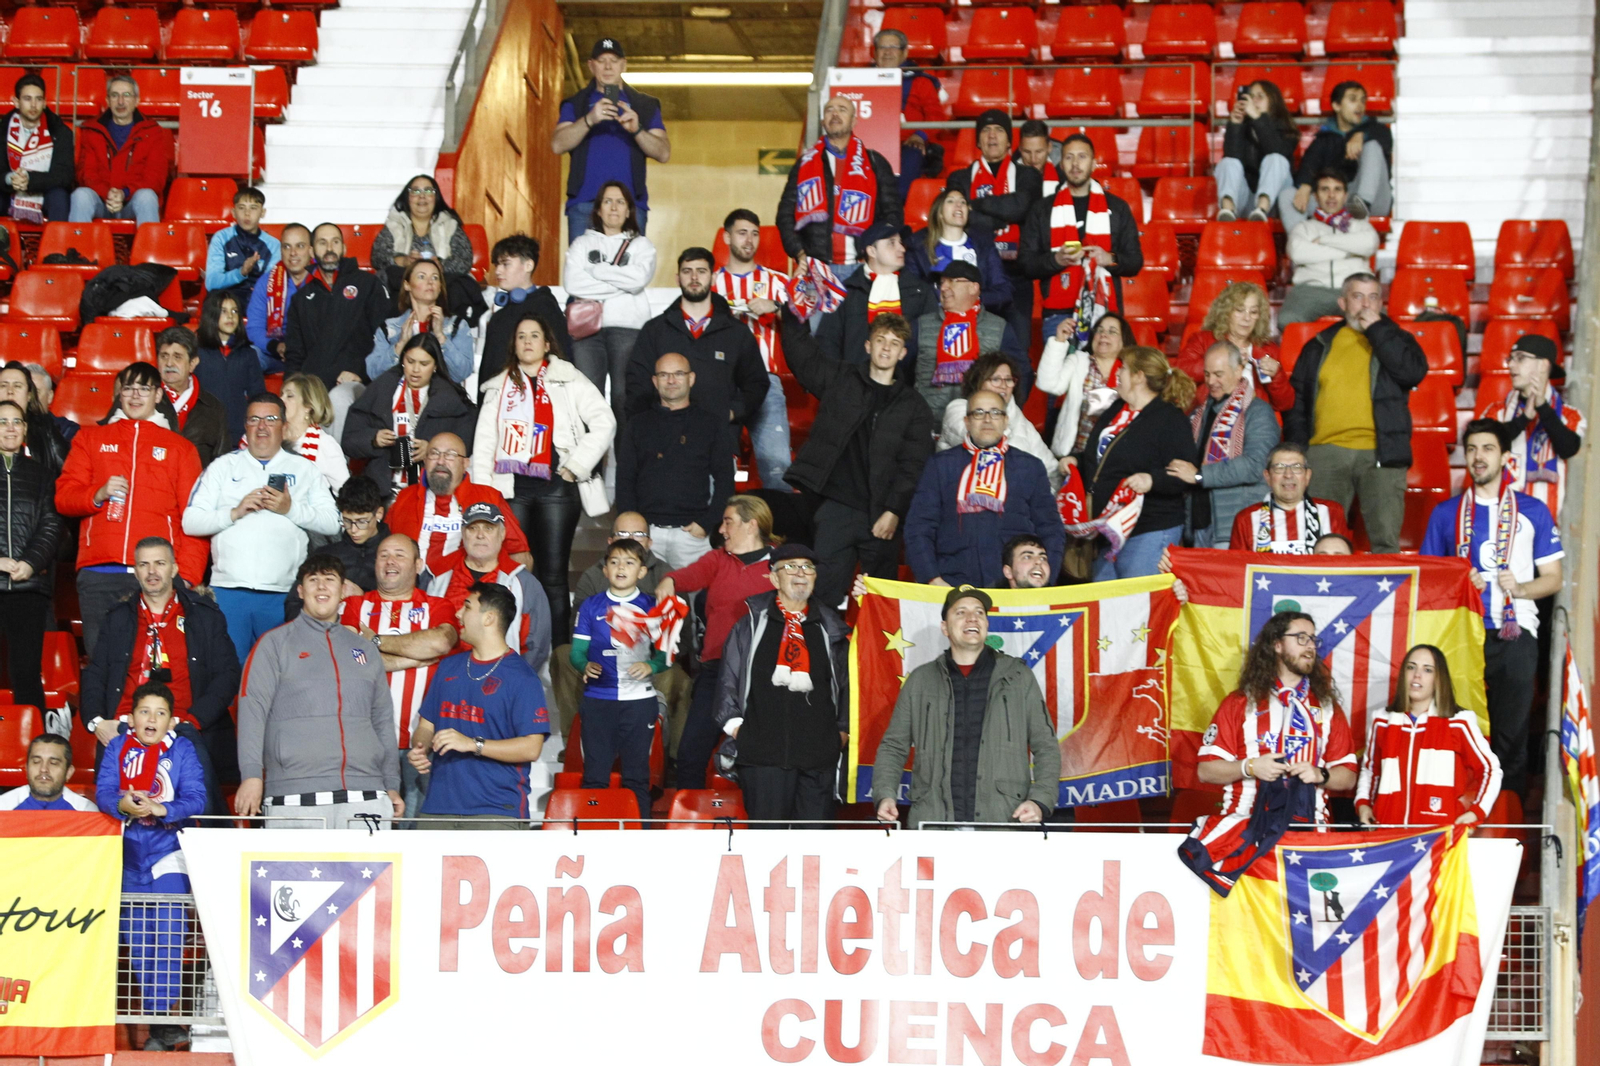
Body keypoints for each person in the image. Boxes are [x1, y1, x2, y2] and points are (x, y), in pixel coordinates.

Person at [1420, 420, 1563, 796]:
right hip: (1462, 636)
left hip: (1514, 634)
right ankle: (1459, 810)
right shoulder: (1444, 513)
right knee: (1459, 731)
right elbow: (1429, 582)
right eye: (1471, 449)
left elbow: (1554, 578)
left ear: (1505, 457)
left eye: (1487, 448)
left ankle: (1508, 815)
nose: (1478, 457)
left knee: (1510, 733)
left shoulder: (1532, 510)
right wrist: (1458, 583)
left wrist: (1521, 587)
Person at [1180, 611, 1358, 892]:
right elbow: (1206, 771)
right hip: (1244, 833)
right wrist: (1249, 767)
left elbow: (1347, 777)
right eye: (1301, 638)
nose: (1310, 645)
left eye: (1313, 639)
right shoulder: (1240, 703)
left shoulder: (1327, 707)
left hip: (1311, 837)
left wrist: (1319, 773)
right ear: (1276, 644)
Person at [234, 554, 402, 829]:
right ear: (300, 591)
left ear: (343, 590)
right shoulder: (273, 645)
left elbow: (382, 719)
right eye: (313, 580)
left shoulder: (365, 649)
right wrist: (252, 776)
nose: (321, 587)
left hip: (367, 795)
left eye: (329, 580)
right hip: (293, 797)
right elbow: (252, 712)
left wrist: (391, 783)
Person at [780, 309, 934, 607]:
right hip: (835, 507)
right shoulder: (841, 378)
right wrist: (793, 313)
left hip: (882, 514)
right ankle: (825, 652)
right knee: (822, 595)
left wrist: (893, 510)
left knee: (880, 605)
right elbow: (803, 357)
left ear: (903, 353)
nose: (886, 347)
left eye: (894, 342)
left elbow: (913, 465)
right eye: (880, 340)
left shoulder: (914, 406)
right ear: (868, 346)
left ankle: (870, 657)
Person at [472, 315, 614, 638]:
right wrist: (484, 496)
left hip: (557, 489)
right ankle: (513, 644)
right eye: (521, 336)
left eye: (534, 335)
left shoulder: (568, 377)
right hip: (511, 492)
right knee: (514, 573)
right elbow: (483, 445)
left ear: (547, 343)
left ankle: (558, 653)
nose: (527, 341)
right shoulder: (499, 386)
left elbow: (605, 421)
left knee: (553, 576)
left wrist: (577, 464)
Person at [873, 585, 1060, 827]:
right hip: (933, 824)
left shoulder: (1018, 676)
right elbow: (893, 746)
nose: (972, 618)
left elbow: (1046, 746)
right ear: (945, 628)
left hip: (1004, 822)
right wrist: (885, 794)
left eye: (979, 612)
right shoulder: (920, 680)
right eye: (960, 612)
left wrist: (1040, 800)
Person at [56, 362, 206, 658]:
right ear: (119, 393)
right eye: (128, 388)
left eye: (144, 388)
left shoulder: (180, 448)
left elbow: (195, 518)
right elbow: (63, 497)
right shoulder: (90, 439)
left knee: (152, 670)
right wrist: (96, 494)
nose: (135, 396)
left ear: (158, 396)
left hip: (156, 575)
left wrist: (186, 575)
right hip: (100, 573)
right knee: (102, 667)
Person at [80, 536, 240, 804]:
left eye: (159, 563)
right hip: (125, 728)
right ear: (136, 570)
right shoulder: (117, 617)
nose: (152, 572)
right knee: (119, 818)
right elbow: (96, 673)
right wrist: (97, 723)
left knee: (203, 813)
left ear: (174, 569)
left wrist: (193, 721)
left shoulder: (205, 616)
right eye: (144, 564)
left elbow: (228, 674)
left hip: (185, 728)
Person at [184, 393, 341, 662]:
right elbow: (190, 522)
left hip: (282, 594)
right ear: (245, 426)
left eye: (270, 419)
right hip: (228, 591)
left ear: (283, 426)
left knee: (281, 677)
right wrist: (235, 512)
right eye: (254, 419)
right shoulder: (223, 467)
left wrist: (290, 509)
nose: (262, 426)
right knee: (229, 677)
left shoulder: (305, 469)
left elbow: (332, 522)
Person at [96, 683, 206, 1053]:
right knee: (139, 939)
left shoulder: (183, 749)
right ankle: (162, 1025)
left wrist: (163, 809)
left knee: (169, 936)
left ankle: (162, 1019)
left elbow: (197, 797)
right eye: (145, 711)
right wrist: (123, 805)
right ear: (130, 717)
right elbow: (103, 791)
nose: (152, 719)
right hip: (126, 852)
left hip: (168, 851)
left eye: (160, 713)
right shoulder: (116, 747)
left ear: (172, 720)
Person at [1284, 273, 1426, 555]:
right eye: (1357, 296)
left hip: (1381, 454)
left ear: (1381, 303)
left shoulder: (1396, 339)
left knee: (1385, 542)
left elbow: (1412, 372)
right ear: (1342, 303)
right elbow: (1296, 403)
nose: (1365, 304)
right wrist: (1302, 450)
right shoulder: (1319, 344)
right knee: (1322, 543)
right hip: (1324, 454)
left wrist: (1378, 330)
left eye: (1373, 297)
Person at [716, 543, 849, 827]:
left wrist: (841, 732)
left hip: (818, 759)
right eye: (790, 567)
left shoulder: (831, 627)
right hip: (762, 759)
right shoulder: (751, 624)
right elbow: (728, 679)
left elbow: (847, 685)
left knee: (814, 854)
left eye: (807, 567)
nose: (800, 573)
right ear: (774, 578)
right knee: (767, 847)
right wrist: (738, 729)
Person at [657, 496, 777, 789]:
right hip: (717, 672)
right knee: (690, 754)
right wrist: (670, 580)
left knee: (762, 757)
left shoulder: (780, 564)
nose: (721, 529)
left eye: (728, 521)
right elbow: (690, 575)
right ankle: (691, 824)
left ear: (752, 525)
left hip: (764, 674)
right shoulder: (718, 558)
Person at [409, 582, 549, 828]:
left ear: (489, 618)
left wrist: (472, 744)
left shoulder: (522, 677)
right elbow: (426, 725)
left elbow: (531, 748)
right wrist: (421, 746)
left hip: (495, 811)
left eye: (467, 607)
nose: (458, 614)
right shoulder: (449, 667)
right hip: (438, 808)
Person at [340, 533, 458, 822]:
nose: (390, 561)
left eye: (399, 555)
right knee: (370, 830)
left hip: (423, 743)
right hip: (369, 744)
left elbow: (440, 643)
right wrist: (412, 657)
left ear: (418, 565)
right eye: (383, 555)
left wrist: (375, 641)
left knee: (418, 831)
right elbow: (352, 659)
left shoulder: (437, 605)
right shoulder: (356, 605)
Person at [904, 388, 1064, 588]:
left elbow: (1051, 528)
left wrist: (1047, 579)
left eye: (995, 412)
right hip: (952, 584)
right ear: (966, 422)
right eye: (978, 413)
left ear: (1006, 421)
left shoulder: (1030, 467)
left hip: (1015, 587)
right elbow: (919, 526)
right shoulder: (941, 465)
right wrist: (932, 577)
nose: (987, 419)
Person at [1073, 347, 1197, 580]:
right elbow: (1103, 458)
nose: (1117, 372)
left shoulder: (1170, 419)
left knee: (1139, 608)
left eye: (1123, 368)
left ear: (1139, 376)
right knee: (1105, 607)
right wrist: (1076, 460)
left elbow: (1184, 475)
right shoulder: (1116, 409)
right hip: (1108, 530)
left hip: (1148, 529)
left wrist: (1152, 480)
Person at [570, 538, 670, 820]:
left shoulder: (654, 607)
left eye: (629, 562)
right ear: (605, 570)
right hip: (598, 701)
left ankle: (638, 843)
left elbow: (666, 656)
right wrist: (584, 664)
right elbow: (576, 652)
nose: (621, 567)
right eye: (614, 562)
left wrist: (651, 666)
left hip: (639, 702)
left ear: (642, 571)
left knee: (637, 778)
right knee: (595, 777)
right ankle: (592, 842)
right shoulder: (590, 606)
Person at [1356, 644, 1501, 828]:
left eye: (1427, 670)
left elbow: (1490, 769)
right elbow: (1370, 771)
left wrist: (1477, 811)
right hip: (1386, 835)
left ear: (1438, 679)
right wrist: (1363, 805)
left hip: (1438, 839)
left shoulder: (1459, 722)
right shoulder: (1382, 721)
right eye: (1411, 667)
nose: (1417, 674)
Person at [615, 352, 735, 570]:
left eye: (678, 374)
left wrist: (707, 524)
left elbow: (726, 479)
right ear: (654, 381)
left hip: (693, 537)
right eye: (664, 375)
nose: (671, 380)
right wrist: (634, 532)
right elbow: (624, 480)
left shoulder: (711, 424)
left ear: (691, 378)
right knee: (643, 602)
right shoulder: (637, 424)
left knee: (695, 602)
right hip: (647, 536)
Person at [623, 247, 768, 426]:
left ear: (713, 278)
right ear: (678, 279)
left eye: (701, 271)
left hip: (719, 438)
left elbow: (756, 383)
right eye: (687, 271)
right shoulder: (654, 330)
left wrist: (732, 412)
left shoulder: (737, 333)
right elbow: (637, 384)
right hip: (665, 436)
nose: (694, 278)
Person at [1021, 133, 1143, 342]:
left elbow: (1135, 261)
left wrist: (1109, 258)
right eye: (1069, 157)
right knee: (1059, 374)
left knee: (1101, 374)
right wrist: (1056, 260)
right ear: (1061, 164)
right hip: (1058, 315)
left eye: (1082, 157)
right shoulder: (1042, 209)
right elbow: (1026, 263)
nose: (1075, 164)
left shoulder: (1117, 207)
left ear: (1094, 163)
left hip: (1104, 314)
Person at [553, 37, 669, 241]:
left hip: (630, 206)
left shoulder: (645, 105)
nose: (608, 66)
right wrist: (589, 119)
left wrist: (637, 129)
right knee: (583, 273)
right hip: (584, 205)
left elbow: (663, 153)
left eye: (614, 60)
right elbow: (557, 144)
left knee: (629, 272)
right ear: (591, 65)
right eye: (601, 60)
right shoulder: (576, 104)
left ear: (623, 65)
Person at [283, 223, 391, 443]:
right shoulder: (301, 298)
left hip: (358, 384)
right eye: (322, 243)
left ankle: (340, 475)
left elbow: (385, 340)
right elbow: (295, 354)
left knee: (338, 399)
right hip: (315, 386)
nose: (329, 248)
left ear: (343, 248)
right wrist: (289, 391)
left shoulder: (368, 285)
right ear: (312, 251)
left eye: (335, 242)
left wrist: (361, 372)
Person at [1170, 341, 1281, 548]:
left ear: (1239, 370)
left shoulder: (1258, 412)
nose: (1211, 381)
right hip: (1197, 523)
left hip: (1235, 526)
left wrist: (1199, 476)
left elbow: (1255, 466)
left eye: (1218, 374)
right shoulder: (1199, 413)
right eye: (1207, 374)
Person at [777, 95, 901, 277]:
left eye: (842, 109)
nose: (835, 113)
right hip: (817, 269)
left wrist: (877, 257)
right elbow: (785, 215)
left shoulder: (875, 162)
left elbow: (893, 214)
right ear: (823, 122)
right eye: (829, 110)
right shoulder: (805, 164)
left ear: (854, 121)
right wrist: (800, 253)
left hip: (864, 268)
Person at [713, 209, 793, 489]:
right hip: (720, 382)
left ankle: (784, 530)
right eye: (742, 232)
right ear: (726, 237)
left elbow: (805, 321)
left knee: (778, 466)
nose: (749, 240)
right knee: (715, 466)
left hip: (765, 380)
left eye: (755, 233)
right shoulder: (711, 285)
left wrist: (777, 307)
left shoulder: (778, 282)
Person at [564, 180, 656, 425]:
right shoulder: (581, 244)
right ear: (598, 209)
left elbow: (638, 280)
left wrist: (598, 271)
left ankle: (624, 463)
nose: (614, 207)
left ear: (628, 210)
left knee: (623, 399)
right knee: (588, 401)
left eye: (620, 202)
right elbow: (573, 285)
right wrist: (621, 282)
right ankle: (591, 464)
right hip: (587, 332)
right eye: (607, 201)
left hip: (629, 329)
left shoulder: (642, 245)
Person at [943, 109, 1040, 341]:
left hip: (1017, 276)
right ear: (978, 140)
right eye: (985, 130)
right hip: (975, 277)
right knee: (973, 347)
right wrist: (1003, 215)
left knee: (1018, 349)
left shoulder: (1029, 176)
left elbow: (1023, 208)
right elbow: (957, 217)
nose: (992, 135)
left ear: (1009, 140)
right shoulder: (959, 178)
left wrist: (974, 206)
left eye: (999, 130)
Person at [425, 502, 551, 674]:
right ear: (463, 534)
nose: (480, 535)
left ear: (503, 533)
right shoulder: (434, 576)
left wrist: (513, 684)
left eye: (489, 528)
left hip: (499, 683)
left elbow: (536, 646)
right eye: (473, 528)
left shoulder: (524, 583)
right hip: (441, 678)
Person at [345, 333, 477, 494]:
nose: (415, 369)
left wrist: (433, 450)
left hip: (429, 491)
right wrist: (373, 439)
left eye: (424, 363)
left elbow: (465, 446)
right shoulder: (381, 388)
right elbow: (349, 439)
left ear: (435, 365)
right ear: (402, 361)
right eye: (410, 361)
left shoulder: (452, 399)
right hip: (381, 489)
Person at [387, 433, 532, 576]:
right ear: (425, 461)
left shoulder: (489, 498)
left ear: (465, 464)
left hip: (465, 590)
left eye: (450, 455)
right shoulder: (405, 497)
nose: (441, 461)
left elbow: (519, 553)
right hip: (411, 591)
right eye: (434, 454)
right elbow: (384, 548)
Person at [1477, 333, 1585, 523]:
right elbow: (1484, 444)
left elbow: (1568, 448)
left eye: (1519, 359)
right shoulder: (1495, 412)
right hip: (1497, 524)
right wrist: (1524, 420)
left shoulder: (1570, 416)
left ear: (1543, 365)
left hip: (1547, 528)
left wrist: (1543, 408)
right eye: (1510, 359)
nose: (1510, 365)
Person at [0, 398, 60, 713]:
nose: (10, 428)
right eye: (3, 421)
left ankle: (30, 751)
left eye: (16, 421)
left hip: (28, 589)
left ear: (25, 429)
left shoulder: (43, 475)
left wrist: (30, 563)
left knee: (25, 673)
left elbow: (51, 525)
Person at [915, 261, 1028, 419]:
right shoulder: (922, 325)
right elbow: (904, 369)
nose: (944, 287)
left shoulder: (999, 327)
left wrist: (1007, 412)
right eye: (942, 282)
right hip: (928, 425)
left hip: (981, 427)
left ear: (973, 288)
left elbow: (1021, 372)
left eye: (952, 281)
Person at [815, 222, 936, 367]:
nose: (902, 249)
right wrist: (841, 382)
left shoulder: (920, 291)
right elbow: (828, 342)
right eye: (892, 243)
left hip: (904, 386)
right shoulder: (847, 292)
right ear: (872, 251)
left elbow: (931, 343)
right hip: (854, 384)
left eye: (901, 243)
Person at [1280, 80, 1393, 230]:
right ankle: (1302, 242)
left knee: (1372, 146)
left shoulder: (1376, 129)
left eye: (1362, 100)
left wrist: (1363, 135)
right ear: (1336, 106)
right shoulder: (1324, 138)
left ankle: (1361, 207)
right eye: (1353, 99)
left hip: (1373, 201)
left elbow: (1386, 139)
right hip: (1340, 202)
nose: (1359, 105)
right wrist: (1306, 185)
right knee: (1288, 194)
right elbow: (1309, 164)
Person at [1279, 170, 1381, 327]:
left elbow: (1369, 244)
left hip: (1355, 291)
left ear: (1345, 195)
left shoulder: (1359, 225)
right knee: (1287, 321)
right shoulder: (1304, 228)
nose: (1331, 195)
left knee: (1382, 326)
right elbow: (1297, 253)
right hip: (1311, 290)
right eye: (1325, 189)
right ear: (1315, 196)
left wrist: (1325, 241)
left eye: (1337, 189)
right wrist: (1351, 251)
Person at [938, 353, 1055, 489]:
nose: (1003, 385)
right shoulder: (958, 408)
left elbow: (1050, 469)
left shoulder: (1020, 419)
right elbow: (981, 441)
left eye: (1008, 379)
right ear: (979, 381)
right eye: (996, 379)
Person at [473, 234, 570, 396]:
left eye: (506, 264)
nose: (497, 271)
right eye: (497, 264)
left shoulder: (546, 307)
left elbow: (561, 359)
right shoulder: (499, 317)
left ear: (528, 265)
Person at [69, 73, 169, 225]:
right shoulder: (92, 131)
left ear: (137, 100)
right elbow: (86, 174)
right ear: (108, 101)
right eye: (115, 95)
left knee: (147, 197)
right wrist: (108, 193)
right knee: (80, 195)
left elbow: (155, 179)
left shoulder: (153, 132)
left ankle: (150, 249)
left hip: (132, 201)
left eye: (126, 95)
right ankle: (78, 248)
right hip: (101, 201)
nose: (120, 102)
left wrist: (124, 193)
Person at [1175, 281, 1292, 411]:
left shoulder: (1268, 349)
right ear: (1226, 312)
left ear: (1259, 316)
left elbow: (1285, 404)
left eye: (1253, 312)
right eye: (1240, 310)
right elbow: (1181, 370)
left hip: (1252, 420)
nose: (1246, 318)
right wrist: (1225, 364)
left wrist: (1276, 375)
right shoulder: (1204, 340)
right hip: (1211, 414)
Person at [1037, 312, 1130, 474]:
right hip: (1073, 456)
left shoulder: (1131, 370)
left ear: (1124, 341)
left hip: (1115, 459)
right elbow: (1048, 384)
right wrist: (1059, 341)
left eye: (1112, 331)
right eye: (1099, 330)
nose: (1103, 335)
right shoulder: (1079, 361)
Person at [1228, 441, 1352, 553]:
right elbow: (1237, 570)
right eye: (1279, 468)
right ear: (1267, 477)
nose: (1288, 475)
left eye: (1296, 468)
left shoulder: (1332, 512)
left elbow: (1344, 564)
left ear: (1307, 476)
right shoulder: (1245, 519)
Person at [368, 258, 476, 386]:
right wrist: (400, 345)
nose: (430, 282)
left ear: (440, 287)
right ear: (407, 285)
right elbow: (374, 374)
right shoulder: (389, 328)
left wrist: (441, 337)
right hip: (397, 398)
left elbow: (461, 373)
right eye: (421, 277)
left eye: (435, 278)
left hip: (440, 401)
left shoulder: (457, 326)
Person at [904, 187, 1013, 314]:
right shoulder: (919, 248)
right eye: (950, 201)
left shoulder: (984, 245)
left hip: (979, 319)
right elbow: (911, 292)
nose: (958, 205)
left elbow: (1003, 291)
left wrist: (971, 300)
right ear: (939, 213)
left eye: (963, 202)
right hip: (935, 319)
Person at [873, 28, 946, 198]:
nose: (887, 52)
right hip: (872, 143)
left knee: (913, 155)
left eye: (893, 47)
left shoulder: (921, 82)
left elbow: (936, 117)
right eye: (882, 48)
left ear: (904, 53)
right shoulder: (859, 80)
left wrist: (920, 135)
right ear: (875, 53)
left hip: (908, 143)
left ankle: (896, 211)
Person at [370, 174, 474, 287]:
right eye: (415, 191)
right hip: (403, 287)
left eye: (428, 191)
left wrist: (439, 266)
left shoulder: (449, 224)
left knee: (460, 283)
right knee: (391, 275)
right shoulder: (395, 224)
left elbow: (464, 260)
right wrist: (404, 261)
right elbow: (378, 257)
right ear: (407, 198)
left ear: (436, 197)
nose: (422, 196)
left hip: (441, 285)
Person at [1215, 79, 1297, 222]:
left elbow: (1277, 150)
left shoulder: (1287, 129)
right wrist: (1235, 125)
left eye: (1260, 96)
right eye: (1251, 96)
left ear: (1273, 101)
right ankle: (1227, 211)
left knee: (1276, 159)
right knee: (1228, 162)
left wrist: (1259, 118)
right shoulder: (1243, 127)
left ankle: (1262, 209)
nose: (1253, 101)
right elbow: (1233, 159)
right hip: (1246, 199)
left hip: (1276, 201)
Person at [194, 289, 266, 445]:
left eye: (235, 311)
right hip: (204, 434)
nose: (230, 316)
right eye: (223, 311)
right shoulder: (196, 353)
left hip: (239, 434)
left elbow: (257, 396)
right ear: (212, 315)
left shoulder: (248, 354)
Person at [1, 74, 73, 223]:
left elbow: (64, 176)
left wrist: (29, 179)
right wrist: (9, 179)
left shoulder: (60, 132)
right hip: (9, 191)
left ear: (45, 103)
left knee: (59, 196)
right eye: (27, 99)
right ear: (16, 102)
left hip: (46, 191)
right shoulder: (2, 130)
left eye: (38, 99)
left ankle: (58, 246)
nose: (33, 105)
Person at [153, 329, 226, 468]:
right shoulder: (140, 399)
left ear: (193, 363)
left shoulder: (213, 407)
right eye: (164, 356)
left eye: (177, 357)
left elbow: (223, 463)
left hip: (198, 486)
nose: (169, 363)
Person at [246, 223, 313, 374]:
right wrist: (276, 347)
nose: (293, 253)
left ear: (311, 250)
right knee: (248, 357)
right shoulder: (266, 282)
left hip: (314, 355)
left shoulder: (323, 281)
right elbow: (254, 327)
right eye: (286, 247)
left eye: (300, 246)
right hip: (276, 353)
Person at [203, 186, 280, 309]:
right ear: (233, 212)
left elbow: (272, 285)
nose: (247, 214)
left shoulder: (273, 245)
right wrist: (241, 272)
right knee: (215, 301)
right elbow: (211, 282)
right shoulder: (221, 238)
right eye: (241, 208)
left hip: (258, 298)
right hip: (226, 297)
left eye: (253, 208)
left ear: (263, 212)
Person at [277, 371, 349, 493]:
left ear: (308, 406)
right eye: (281, 394)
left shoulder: (325, 445)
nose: (280, 400)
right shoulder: (272, 438)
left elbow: (345, 494)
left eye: (289, 396)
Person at [0, 360, 68, 474]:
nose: (10, 391)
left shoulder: (46, 429)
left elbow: (68, 476)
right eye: (3, 385)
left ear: (29, 395)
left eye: (17, 386)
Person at [0, 734, 95, 811]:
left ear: (68, 772)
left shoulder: (85, 812)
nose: (43, 769)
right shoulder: (4, 807)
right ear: (27, 768)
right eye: (36, 762)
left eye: (53, 763)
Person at [22, 362, 77, 446]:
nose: (29, 398)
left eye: (36, 392)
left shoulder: (67, 431)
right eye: (25, 392)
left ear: (50, 396)